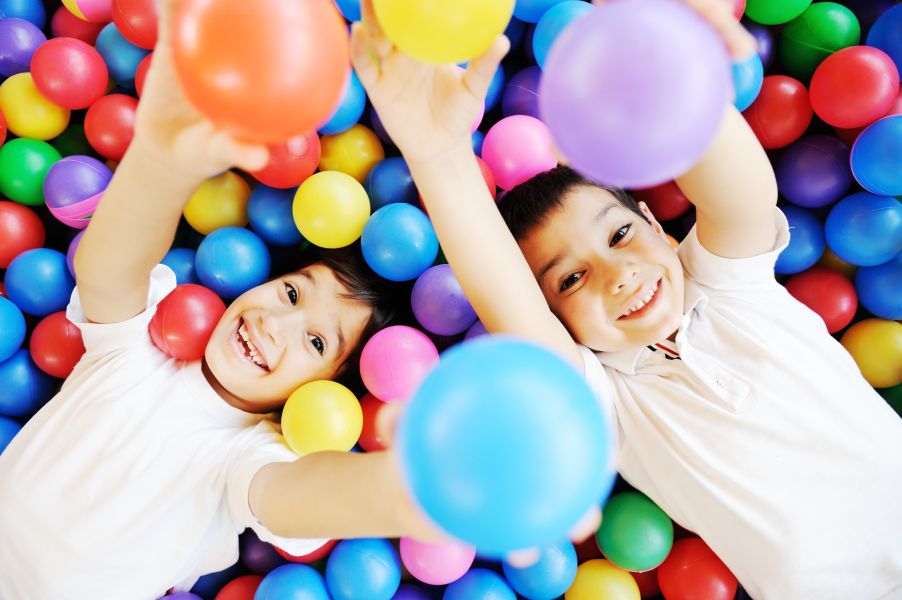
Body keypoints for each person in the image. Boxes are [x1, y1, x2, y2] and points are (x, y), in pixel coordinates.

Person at [351, 0, 902, 597]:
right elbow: (500, 291)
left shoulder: (731, 285)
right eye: (570, 280)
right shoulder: (606, 403)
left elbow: (741, 192)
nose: (617, 275)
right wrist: (438, 156)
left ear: (657, 225)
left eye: (619, 236)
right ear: (558, 321)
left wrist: (664, 43)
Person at [0, 2, 440, 598]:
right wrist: (157, 161)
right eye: (290, 291)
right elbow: (106, 272)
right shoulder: (142, 351)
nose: (275, 324)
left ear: (329, 389)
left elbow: (300, 499)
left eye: (315, 341)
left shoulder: (249, 455)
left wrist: (427, 498)